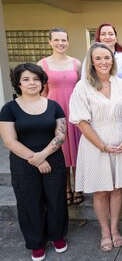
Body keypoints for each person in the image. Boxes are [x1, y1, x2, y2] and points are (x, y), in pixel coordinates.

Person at [69, 42, 122, 252]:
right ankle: (105, 232)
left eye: (107, 58)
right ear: (91, 62)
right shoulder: (82, 87)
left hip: (121, 141)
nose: (103, 62)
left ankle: (115, 229)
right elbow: (81, 122)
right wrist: (103, 146)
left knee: (117, 189)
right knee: (100, 192)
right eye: (98, 58)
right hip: (95, 143)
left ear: (113, 60)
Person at [0, 63, 68, 261]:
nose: (32, 83)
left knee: (56, 199)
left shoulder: (54, 105)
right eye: (26, 79)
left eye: (36, 79)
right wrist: (37, 160)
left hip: (53, 158)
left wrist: (44, 155)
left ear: (42, 82)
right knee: (29, 201)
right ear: (18, 83)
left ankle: (57, 236)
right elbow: (9, 141)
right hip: (23, 162)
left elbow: (61, 135)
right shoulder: (9, 109)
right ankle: (36, 242)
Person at [37, 27, 83, 206]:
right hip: (55, 110)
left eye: (63, 40)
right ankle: (66, 188)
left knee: (77, 149)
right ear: (50, 42)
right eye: (56, 40)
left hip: (74, 110)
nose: (60, 43)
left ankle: (79, 187)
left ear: (68, 42)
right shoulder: (42, 64)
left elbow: (81, 89)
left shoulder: (76, 63)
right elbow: (43, 92)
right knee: (61, 150)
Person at [81, 23, 122, 93]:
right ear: (99, 38)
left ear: (116, 38)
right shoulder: (89, 58)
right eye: (103, 34)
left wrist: (121, 99)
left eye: (111, 34)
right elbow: (84, 80)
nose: (107, 37)